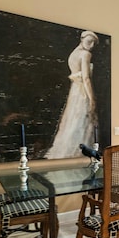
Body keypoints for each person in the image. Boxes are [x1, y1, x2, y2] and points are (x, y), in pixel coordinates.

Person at [45, 30, 99, 159]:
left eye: (93, 43)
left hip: (74, 91)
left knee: (73, 121)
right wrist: (92, 99)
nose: (91, 45)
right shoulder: (85, 54)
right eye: (89, 41)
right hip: (82, 92)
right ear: (82, 39)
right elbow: (86, 79)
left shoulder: (73, 54)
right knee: (82, 120)